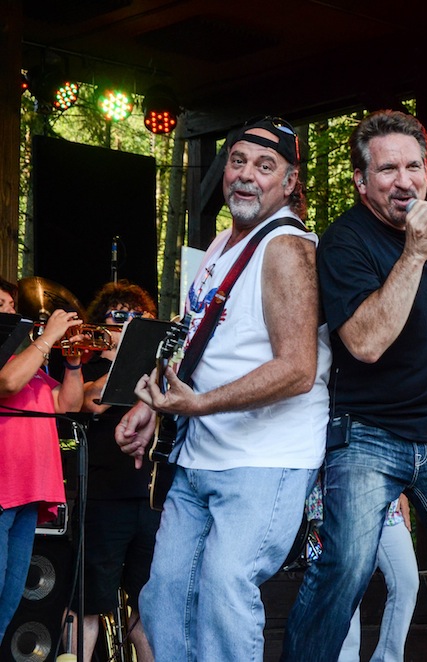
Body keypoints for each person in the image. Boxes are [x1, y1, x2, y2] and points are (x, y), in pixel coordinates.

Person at [281, 109, 427, 660]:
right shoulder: (344, 242)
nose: (404, 181)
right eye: (387, 169)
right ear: (361, 181)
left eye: (414, 167)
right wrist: (414, 250)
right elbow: (366, 342)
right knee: (343, 571)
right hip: (369, 433)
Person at [115, 117, 331, 661]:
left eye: (265, 166)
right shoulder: (220, 243)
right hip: (199, 455)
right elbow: (193, 339)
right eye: (238, 162)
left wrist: (200, 404)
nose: (246, 175)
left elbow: (297, 369)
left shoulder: (286, 246)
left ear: (289, 182)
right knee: (164, 597)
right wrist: (152, 404)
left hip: (264, 459)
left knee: (223, 591)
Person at [65, 281, 158, 661]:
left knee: (150, 607)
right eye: (118, 316)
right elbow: (92, 401)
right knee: (87, 602)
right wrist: (133, 353)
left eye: (136, 316)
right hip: (104, 498)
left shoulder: (157, 370)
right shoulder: (91, 367)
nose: (127, 321)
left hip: (151, 499)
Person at [1, 278, 84, 637]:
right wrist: (48, 336)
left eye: (10, 306)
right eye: (0, 306)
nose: (8, 312)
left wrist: (74, 364)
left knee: (8, 600)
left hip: (28, 493)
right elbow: (7, 384)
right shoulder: (12, 365)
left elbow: (68, 404)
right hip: (3, 489)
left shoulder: (28, 364)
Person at [339, 495, 418, 662]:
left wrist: (402, 490)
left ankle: (387, 658)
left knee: (407, 581)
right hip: (344, 503)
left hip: (388, 507)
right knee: (348, 587)